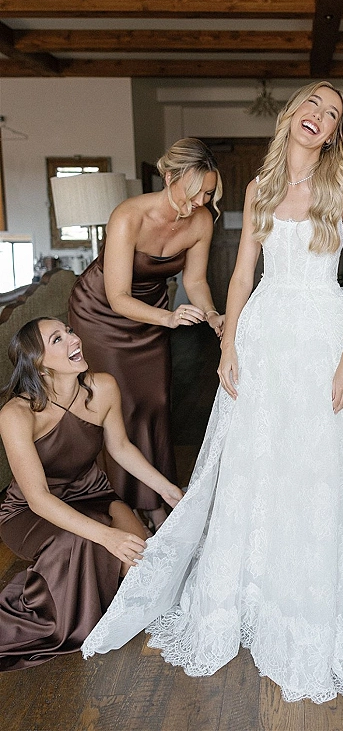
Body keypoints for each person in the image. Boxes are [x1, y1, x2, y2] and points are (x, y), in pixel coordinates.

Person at [82, 81, 343, 706]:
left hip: (328, 338)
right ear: (292, 114)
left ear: (334, 133)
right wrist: (227, 346)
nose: (319, 117)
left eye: (331, 114)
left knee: (327, 469)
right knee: (261, 466)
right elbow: (244, 273)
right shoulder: (258, 189)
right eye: (313, 105)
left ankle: (323, 599)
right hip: (267, 339)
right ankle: (259, 594)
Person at [0, 318, 183, 671]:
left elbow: (120, 447)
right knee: (84, 542)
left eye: (69, 330)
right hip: (29, 512)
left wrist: (168, 489)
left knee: (139, 558)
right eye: (58, 338)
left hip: (93, 494)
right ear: (39, 361)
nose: (73, 338)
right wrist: (107, 537)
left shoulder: (103, 388)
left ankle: (142, 610)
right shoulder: (16, 414)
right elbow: (38, 498)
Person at [68, 139, 223, 530]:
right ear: (170, 177)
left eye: (208, 193)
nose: (201, 201)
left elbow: (196, 280)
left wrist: (211, 313)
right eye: (195, 191)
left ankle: (153, 499)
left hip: (153, 314)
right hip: (101, 313)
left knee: (155, 400)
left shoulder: (202, 220)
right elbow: (118, 297)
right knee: (120, 405)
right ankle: (121, 503)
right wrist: (169, 319)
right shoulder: (128, 217)